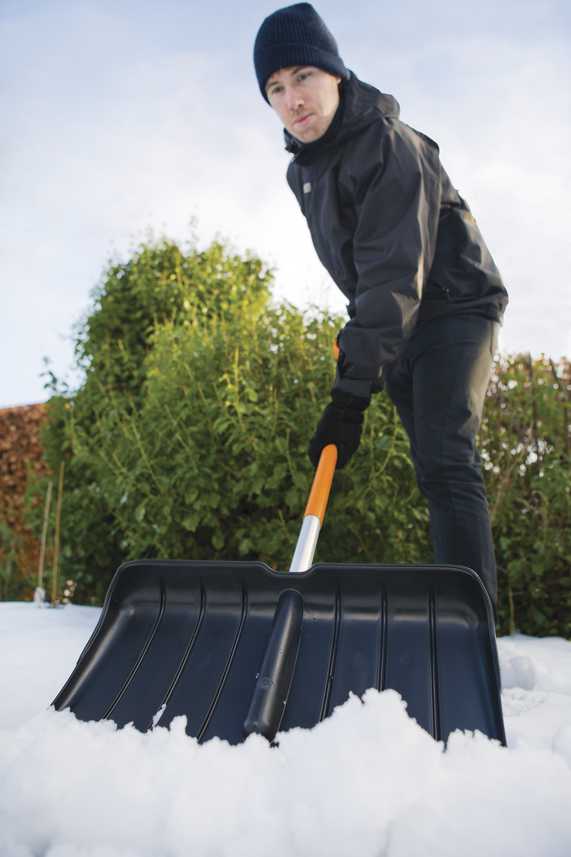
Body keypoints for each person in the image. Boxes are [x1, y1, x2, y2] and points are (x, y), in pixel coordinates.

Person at [253, 3, 508, 607]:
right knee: (431, 469)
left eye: (303, 76)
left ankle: (470, 625)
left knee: (447, 460)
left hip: (454, 305)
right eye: (275, 88)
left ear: (336, 74)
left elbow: (395, 271)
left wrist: (351, 392)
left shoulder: (390, 143)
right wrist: (356, 362)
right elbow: (364, 275)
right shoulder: (305, 172)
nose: (293, 99)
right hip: (399, 320)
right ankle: (450, 614)